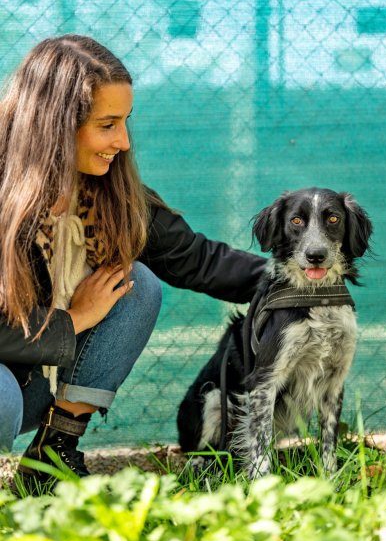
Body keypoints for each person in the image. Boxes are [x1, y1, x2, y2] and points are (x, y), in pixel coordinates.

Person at [0, 34, 266, 488]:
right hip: (8, 382)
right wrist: (75, 318)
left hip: (35, 385)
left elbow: (197, 259)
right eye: (108, 124)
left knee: (136, 285)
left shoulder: (109, 196)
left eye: (125, 122)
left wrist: (302, 282)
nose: (122, 141)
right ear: (57, 124)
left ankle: (52, 458)